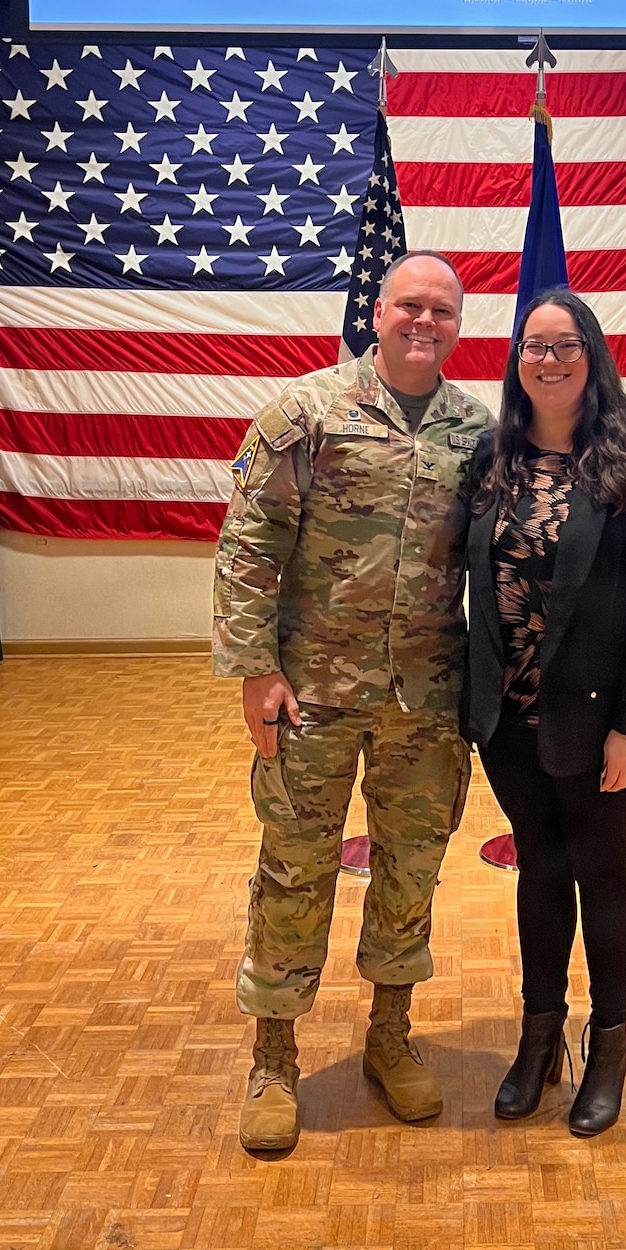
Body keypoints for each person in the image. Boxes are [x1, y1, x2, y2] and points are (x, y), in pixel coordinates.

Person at [214, 251, 492, 1153]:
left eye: (442, 311)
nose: (425, 322)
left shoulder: (476, 432)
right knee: (296, 870)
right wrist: (256, 669)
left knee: (412, 868)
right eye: (410, 306)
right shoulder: (306, 412)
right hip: (313, 693)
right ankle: (274, 1055)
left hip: (427, 697)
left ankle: (390, 1036)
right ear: (378, 312)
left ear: (458, 325)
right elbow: (249, 545)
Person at [463, 288, 626, 1136]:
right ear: (516, 362)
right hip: (509, 718)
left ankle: (609, 1043)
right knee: (539, 868)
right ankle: (538, 1037)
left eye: (565, 346)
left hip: (603, 725)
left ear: (591, 357)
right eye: (533, 347)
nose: (548, 361)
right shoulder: (491, 462)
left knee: (599, 871)